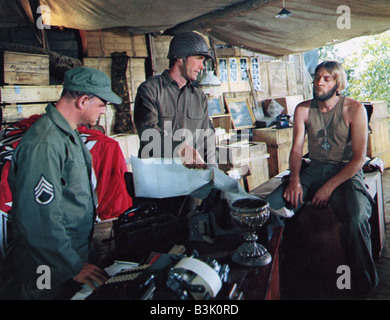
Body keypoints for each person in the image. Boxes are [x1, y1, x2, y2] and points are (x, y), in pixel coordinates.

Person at [265, 60, 379, 297]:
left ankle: (363, 285)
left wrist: (329, 187)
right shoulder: (303, 109)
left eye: (326, 78)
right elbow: (297, 149)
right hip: (314, 168)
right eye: (317, 77)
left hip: (346, 171)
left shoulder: (354, 109)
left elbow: (359, 159)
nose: (319, 82)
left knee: (357, 217)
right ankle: (276, 279)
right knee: (271, 208)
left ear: (338, 84)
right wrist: (295, 179)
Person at [8, 67, 122, 299]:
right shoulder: (45, 143)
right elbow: (37, 218)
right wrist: (71, 265)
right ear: (83, 101)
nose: (104, 111)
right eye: (102, 104)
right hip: (47, 266)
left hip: (67, 258)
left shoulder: (67, 135)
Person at [134, 31, 217, 216]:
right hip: (157, 187)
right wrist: (180, 148)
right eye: (199, 59)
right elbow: (148, 132)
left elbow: (207, 137)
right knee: (159, 239)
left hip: (190, 189)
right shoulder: (149, 90)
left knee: (190, 235)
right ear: (180, 58)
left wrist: (214, 174)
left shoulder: (199, 97)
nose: (202, 66)